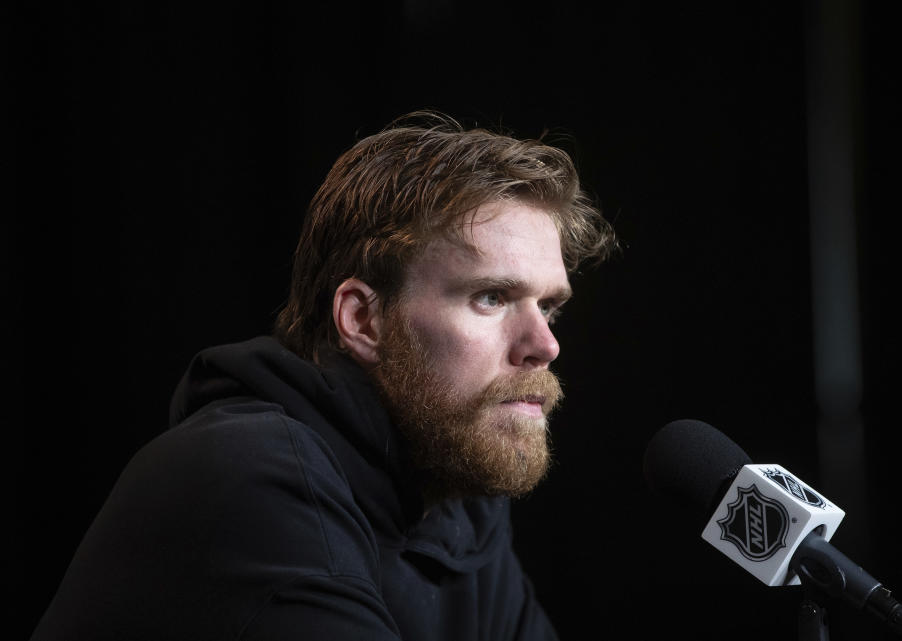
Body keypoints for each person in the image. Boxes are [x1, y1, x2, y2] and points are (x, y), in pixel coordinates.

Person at [31, 111, 617, 640]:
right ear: (363, 319)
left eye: (550, 307)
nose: (545, 344)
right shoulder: (247, 478)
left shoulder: (456, 498)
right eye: (491, 297)